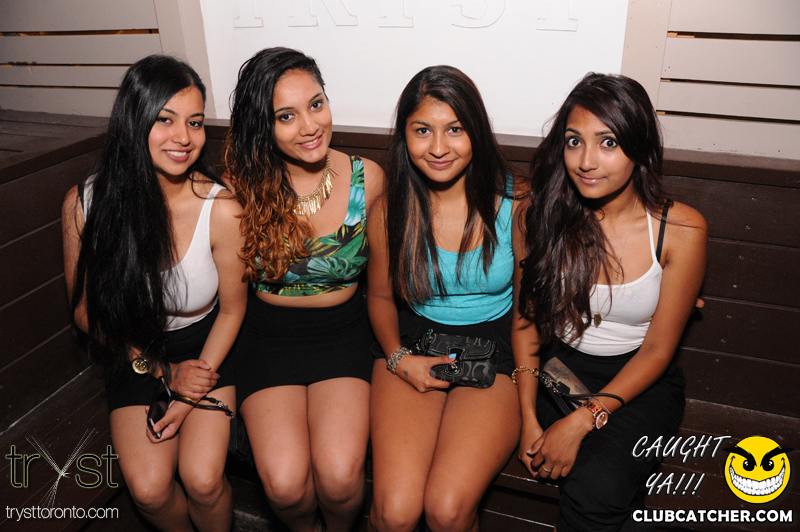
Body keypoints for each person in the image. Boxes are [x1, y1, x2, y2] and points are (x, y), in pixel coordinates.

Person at [512, 73, 708, 531]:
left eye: (608, 142)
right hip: (555, 369)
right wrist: (527, 417)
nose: (586, 161)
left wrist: (583, 420)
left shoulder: (680, 230)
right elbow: (526, 325)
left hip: (638, 380)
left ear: (638, 148)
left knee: (598, 488)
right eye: (574, 141)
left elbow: (658, 350)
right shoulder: (538, 215)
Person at [62, 55, 247, 532]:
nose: (183, 137)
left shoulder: (222, 209)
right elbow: (85, 312)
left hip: (207, 350)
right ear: (134, 120)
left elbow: (232, 311)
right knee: (148, 490)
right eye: (165, 119)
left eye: (195, 122)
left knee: (203, 480)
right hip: (135, 351)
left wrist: (187, 390)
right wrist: (161, 370)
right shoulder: (86, 203)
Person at [223, 47, 384, 532]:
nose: (310, 126)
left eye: (316, 104)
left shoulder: (368, 178)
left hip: (344, 335)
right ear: (263, 126)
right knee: (285, 485)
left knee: (340, 479)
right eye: (286, 116)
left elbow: (385, 288)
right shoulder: (239, 187)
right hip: (266, 339)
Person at [367, 65, 523, 532]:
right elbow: (380, 298)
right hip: (415, 340)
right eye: (422, 131)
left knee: (447, 510)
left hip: (496, 347)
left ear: (476, 131)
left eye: (454, 129)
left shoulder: (517, 205)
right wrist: (399, 359)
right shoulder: (390, 211)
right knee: (395, 513)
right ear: (404, 136)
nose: (438, 148)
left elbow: (530, 309)